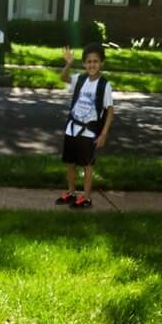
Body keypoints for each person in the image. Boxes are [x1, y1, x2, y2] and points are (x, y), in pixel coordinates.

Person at [55, 43, 114, 208]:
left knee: (88, 165)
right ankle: (71, 192)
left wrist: (103, 134)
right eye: (88, 61)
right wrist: (68, 63)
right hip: (72, 128)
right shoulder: (80, 79)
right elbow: (63, 78)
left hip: (89, 131)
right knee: (70, 163)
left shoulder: (104, 85)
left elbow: (110, 111)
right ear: (84, 64)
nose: (92, 64)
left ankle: (86, 197)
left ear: (102, 62)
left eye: (95, 61)